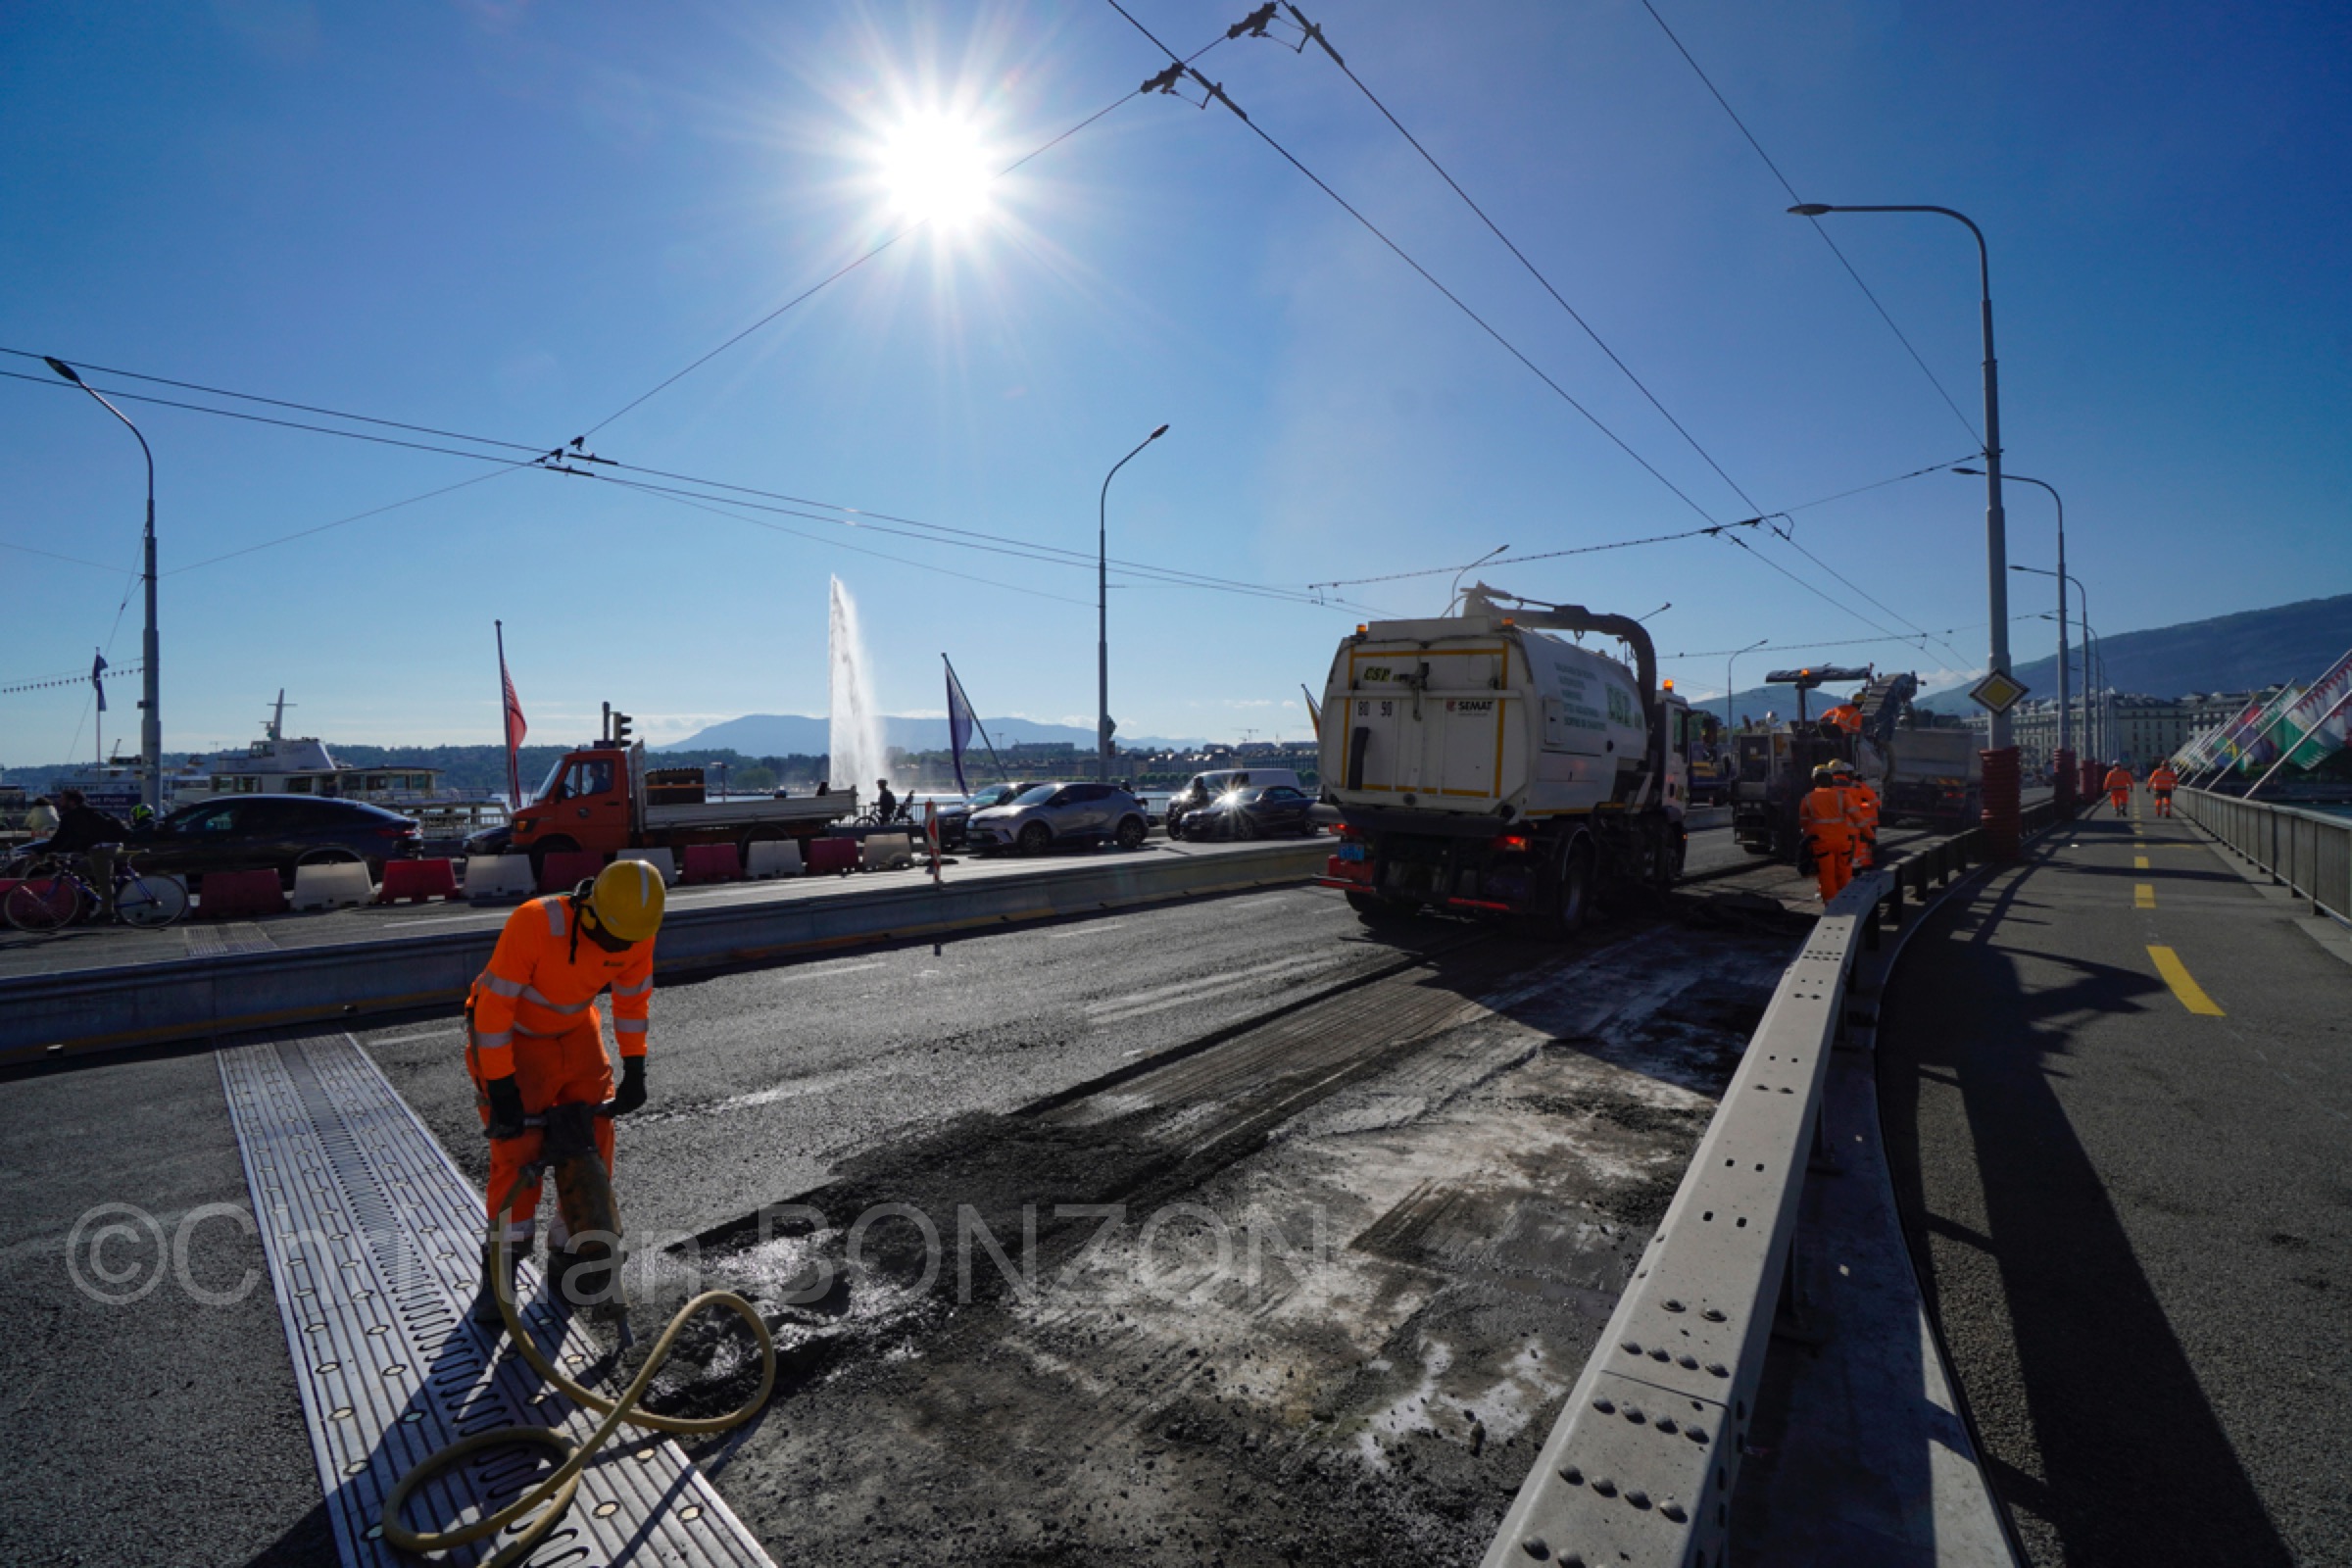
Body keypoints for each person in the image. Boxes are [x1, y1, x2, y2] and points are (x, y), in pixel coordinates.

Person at [465, 859, 665, 1327]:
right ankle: (499, 1279)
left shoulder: (634, 927)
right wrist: (502, 1086)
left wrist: (635, 1068)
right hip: (511, 1032)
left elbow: (632, 1001)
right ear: (588, 913)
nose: (622, 948)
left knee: (593, 1139)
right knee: (518, 1153)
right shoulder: (535, 922)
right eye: (614, 940)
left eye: (629, 942)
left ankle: (572, 1255)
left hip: (574, 1030)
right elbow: (494, 1011)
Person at [45, 788, 129, 919]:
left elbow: (61, 838)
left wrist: (42, 852)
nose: (59, 802)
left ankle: (108, 913)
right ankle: (100, 898)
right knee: (79, 869)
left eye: (62, 799)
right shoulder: (90, 811)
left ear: (72, 802)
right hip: (107, 846)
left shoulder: (72, 816)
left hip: (101, 848)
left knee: (104, 881)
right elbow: (71, 839)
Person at [1799, 763, 1855, 902]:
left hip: (1823, 843)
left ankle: (1830, 901)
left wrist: (1809, 838)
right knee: (1842, 872)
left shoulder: (1809, 799)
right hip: (1844, 840)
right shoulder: (1845, 794)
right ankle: (1842, 899)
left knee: (1826, 873)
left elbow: (1804, 823)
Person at [1836, 760, 1880, 871]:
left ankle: (1863, 863)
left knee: (1862, 845)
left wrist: (1861, 806)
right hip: (1858, 823)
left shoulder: (1858, 787)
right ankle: (1861, 863)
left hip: (1864, 822)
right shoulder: (1853, 787)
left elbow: (1875, 801)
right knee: (1860, 846)